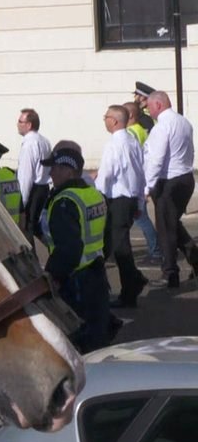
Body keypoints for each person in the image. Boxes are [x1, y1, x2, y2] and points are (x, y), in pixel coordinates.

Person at [41, 147, 111, 353]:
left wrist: (53, 276)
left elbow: (69, 248)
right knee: (97, 332)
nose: (51, 173)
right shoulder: (93, 194)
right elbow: (108, 236)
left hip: (75, 281)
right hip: (96, 274)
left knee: (78, 339)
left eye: (55, 168)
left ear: (69, 171)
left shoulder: (65, 201)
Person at [144, 90, 198, 288]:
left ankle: (170, 274)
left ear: (158, 105)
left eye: (149, 107)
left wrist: (147, 187)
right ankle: (195, 258)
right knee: (173, 223)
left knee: (166, 229)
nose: (148, 111)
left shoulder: (162, 127)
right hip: (185, 177)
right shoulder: (183, 122)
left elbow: (156, 160)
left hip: (169, 181)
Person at [96, 105, 148, 308]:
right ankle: (133, 280)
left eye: (106, 116)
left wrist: (97, 194)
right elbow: (140, 172)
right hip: (129, 198)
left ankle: (129, 290)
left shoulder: (114, 144)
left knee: (119, 248)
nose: (104, 120)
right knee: (114, 245)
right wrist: (139, 200)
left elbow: (107, 174)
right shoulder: (132, 141)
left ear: (115, 121)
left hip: (117, 200)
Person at [124, 101, 162, 263]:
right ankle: (155, 250)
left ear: (130, 115)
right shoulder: (141, 130)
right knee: (137, 217)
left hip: (133, 182)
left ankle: (156, 251)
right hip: (140, 179)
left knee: (140, 218)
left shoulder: (130, 132)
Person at [17, 108, 52, 243]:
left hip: (33, 191)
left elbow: (26, 177)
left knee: (27, 229)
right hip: (43, 189)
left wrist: (22, 204)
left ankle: (33, 261)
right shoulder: (44, 141)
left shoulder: (29, 144)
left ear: (29, 125)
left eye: (20, 121)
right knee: (37, 228)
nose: (17, 124)